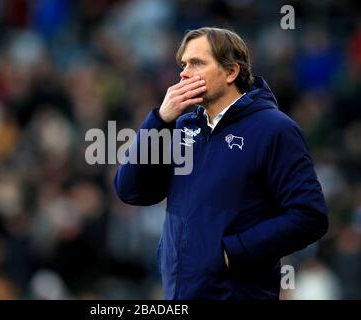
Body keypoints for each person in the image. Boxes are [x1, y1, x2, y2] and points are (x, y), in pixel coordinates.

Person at [113, 27, 328, 300]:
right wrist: (158, 121)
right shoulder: (181, 127)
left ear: (231, 72)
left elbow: (309, 216)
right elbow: (131, 190)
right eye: (183, 64)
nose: (184, 73)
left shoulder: (275, 129)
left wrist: (233, 252)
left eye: (197, 63)